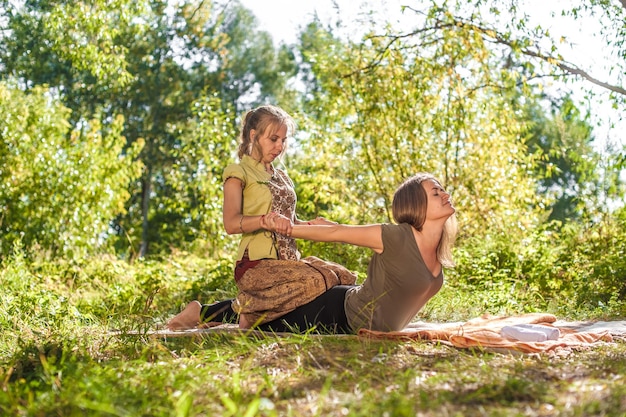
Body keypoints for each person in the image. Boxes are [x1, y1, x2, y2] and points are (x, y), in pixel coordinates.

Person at [168, 172, 458, 334]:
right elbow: (339, 233)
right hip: (338, 314)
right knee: (264, 316)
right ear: (416, 204)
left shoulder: (436, 251)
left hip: (351, 306)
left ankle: (208, 313)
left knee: (267, 312)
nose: (445, 194)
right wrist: (288, 228)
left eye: (443, 189)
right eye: (436, 192)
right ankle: (200, 312)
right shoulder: (396, 237)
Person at [166, 104, 348, 331]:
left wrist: (314, 225)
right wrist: (263, 220)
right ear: (254, 136)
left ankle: (240, 315)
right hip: (255, 266)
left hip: (287, 264)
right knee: (315, 279)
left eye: (283, 140)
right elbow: (231, 224)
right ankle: (208, 312)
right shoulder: (238, 172)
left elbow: (289, 223)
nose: (280, 146)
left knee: (342, 275)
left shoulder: (282, 177)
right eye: (273, 139)